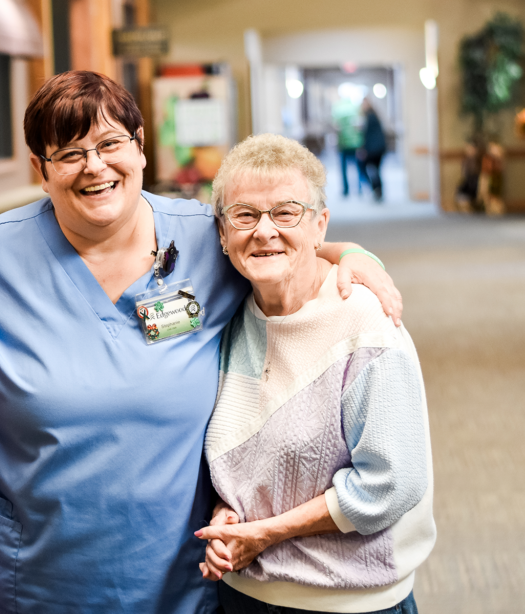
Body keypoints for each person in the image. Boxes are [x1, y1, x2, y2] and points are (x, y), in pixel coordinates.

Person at [0, 71, 403, 614]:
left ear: (140, 149)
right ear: (40, 169)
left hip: (181, 574)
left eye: (111, 143)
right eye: (69, 153)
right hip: (41, 579)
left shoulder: (206, 238)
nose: (95, 166)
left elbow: (282, 244)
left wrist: (351, 254)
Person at [196, 134, 434, 613]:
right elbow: (240, 457)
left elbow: (390, 484)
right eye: (244, 215)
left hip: (349, 601)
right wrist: (229, 516)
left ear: (320, 224)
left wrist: (264, 533)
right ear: (222, 234)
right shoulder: (229, 319)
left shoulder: (363, 322)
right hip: (242, 594)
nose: (264, 231)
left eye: (286, 212)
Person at [330, 98, 363, 197]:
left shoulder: (338, 111)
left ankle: (346, 189)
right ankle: (359, 188)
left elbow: (335, 128)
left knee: (343, 169)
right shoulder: (355, 110)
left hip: (343, 144)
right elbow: (359, 127)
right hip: (355, 144)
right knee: (357, 167)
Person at [359, 99, 387, 201]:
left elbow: (367, 135)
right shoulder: (374, 116)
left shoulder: (369, 117)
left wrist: (363, 149)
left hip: (373, 149)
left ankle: (376, 189)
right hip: (379, 148)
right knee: (376, 170)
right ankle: (378, 190)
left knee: (366, 168)